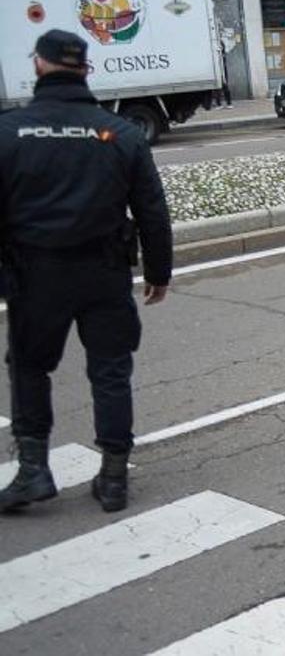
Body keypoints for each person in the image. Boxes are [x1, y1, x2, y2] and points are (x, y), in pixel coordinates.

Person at [0, 29, 173, 514]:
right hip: (105, 273)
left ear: (39, 65)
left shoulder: (10, 132)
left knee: (30, 368)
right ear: (87, 69)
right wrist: (159, 271)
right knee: (111, 371)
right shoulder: (121, 133)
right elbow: (152, 210)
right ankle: (113, 477)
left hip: (34, 277)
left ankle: (34, 471)